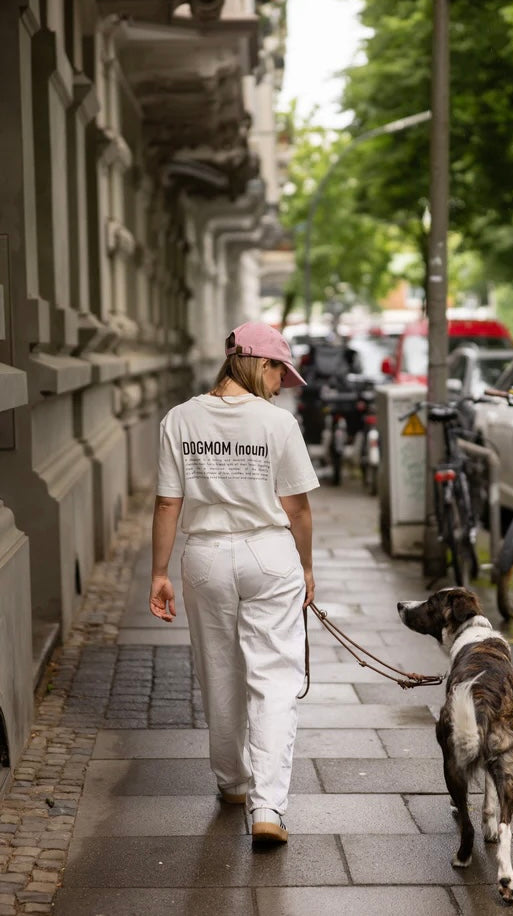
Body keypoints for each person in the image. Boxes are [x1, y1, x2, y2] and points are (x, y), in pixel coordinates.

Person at [149, 322, 319, 845]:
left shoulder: (179, 419)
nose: (279, 385)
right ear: (259, 364)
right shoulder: (278, 423)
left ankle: (232, 783)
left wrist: (159, 571)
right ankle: (268, 808)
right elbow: (297, 508)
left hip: (203, 556)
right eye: (278, 373)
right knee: (273, 679)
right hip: (268, 553)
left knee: (219, 670)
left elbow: (166, 504)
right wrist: (307, 567)